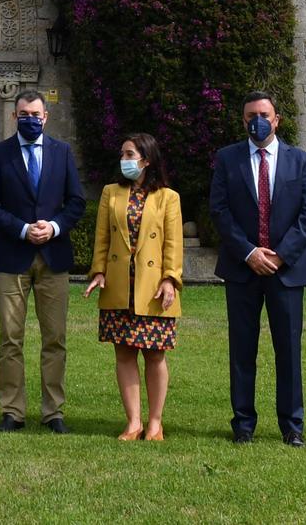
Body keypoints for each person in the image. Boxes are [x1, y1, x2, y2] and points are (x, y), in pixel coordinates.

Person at [210, 91, 306, 446]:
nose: (257, 120)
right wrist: (249, 253)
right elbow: (220, 212)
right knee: (242, 349)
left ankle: (292, 426)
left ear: (276, 119)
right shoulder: (227, 159)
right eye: (250, 115)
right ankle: (243, 423)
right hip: (242, 269)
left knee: (288, 350)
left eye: (263, 114)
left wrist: (280, 255)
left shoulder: (300, 160)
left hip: (286, 272)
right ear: (243, 121)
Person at [0, 88, 86, 433]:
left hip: (54, 258)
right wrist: (23, 229)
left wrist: (53, 227)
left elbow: (76, 202)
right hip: (13, 256)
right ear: (14, 116)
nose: (30, 119)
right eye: (23, 114)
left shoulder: (62, 152)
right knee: (11, 338)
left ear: (46, 117)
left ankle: (53, 412)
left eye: (36, 115)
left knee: (54, 338)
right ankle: (13, 411)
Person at [84, 133, 184, 441]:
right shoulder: (110, 193)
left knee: (155, 354)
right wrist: (98, 271)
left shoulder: (169, 197)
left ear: (146, 160)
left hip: (153, 288)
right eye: (123, 154)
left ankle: (155, 423)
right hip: (118, 285)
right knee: (124, 353)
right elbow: (102, 238)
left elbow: (173, 243)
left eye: (130, 154)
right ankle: (133, 422)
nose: (124, 160)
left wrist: (170, 279)